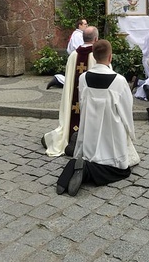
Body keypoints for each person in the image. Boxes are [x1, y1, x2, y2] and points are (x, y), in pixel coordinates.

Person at [56, 39, 140, 196]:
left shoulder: (83, 78)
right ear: (110, 57)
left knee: (86, 156)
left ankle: (69, 171)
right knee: (121, 170)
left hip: (89, 133)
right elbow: (126, 109)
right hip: (111, 134)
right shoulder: (119, 81)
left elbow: (82, 103)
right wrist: (130, 132)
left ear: (94, 57)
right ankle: (85, 170)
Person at [42, 26, 99, 157]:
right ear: (96, 39)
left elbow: (68, 82)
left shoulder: (74, 55)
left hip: (73, 101)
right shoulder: (96, 56)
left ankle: (69, 137)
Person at [46, 18, 88, 89]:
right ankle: (58, 79)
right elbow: (80, 48)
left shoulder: (79, 34)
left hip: (76, 58)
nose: (87, 25)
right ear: (79, 25)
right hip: (77, 59)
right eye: (85, 24)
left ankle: (59, 79)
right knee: (75, 81)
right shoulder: (78, 35)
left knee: (76, 79)